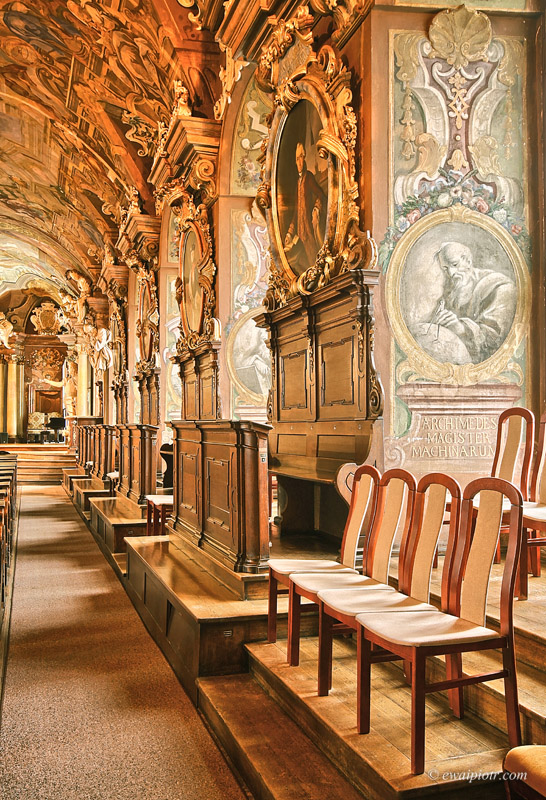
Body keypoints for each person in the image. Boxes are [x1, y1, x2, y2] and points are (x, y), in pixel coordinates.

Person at [421, 241, 517, 364]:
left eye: (454, 265)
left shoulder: (500, 287)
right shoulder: (451, 289)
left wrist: (460, 328)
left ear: (468, 261)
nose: (451, 273)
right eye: (445, 268)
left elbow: (494, 341)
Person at [284, 142, 326, 272]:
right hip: (300, 233)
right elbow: (296, 211)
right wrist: (289, 233)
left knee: (314, 260)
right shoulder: (298, 183)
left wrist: (316, 209)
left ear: (305, 158)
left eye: (301, 157)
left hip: (309, 230)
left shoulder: (309, 178)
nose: (300, 161)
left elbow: (321, 195)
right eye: (297, 159)